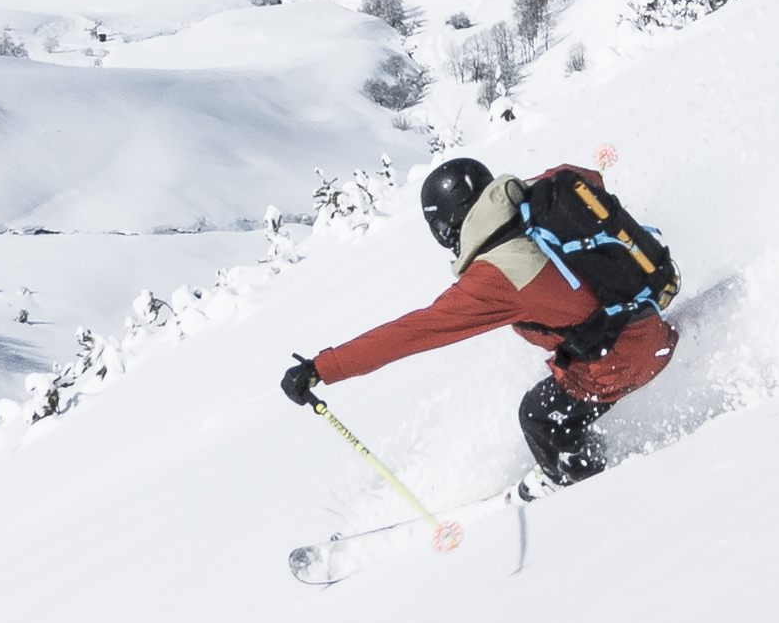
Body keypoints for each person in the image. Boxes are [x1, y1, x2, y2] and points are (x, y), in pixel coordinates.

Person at [283, 155, 675, 485]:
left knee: (539, 416)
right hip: (647, 318)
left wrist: (323, 368)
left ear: (446, 226)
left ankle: (585, 490)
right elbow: (588, 178)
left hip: (624, 359)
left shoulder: (493, 277)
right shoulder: (541, 195)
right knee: (553, 394)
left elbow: (412, 333)